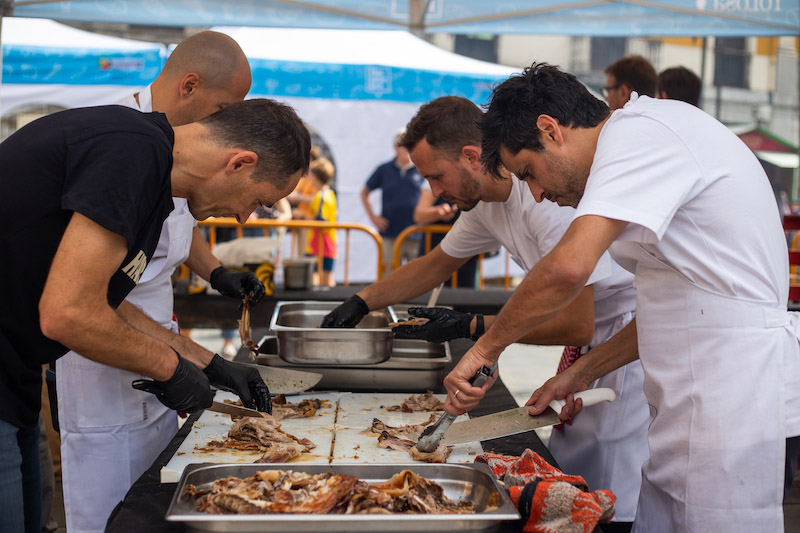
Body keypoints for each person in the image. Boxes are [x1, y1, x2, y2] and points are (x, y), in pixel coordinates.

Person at [445, 62, 800, 532]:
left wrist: (485, 349)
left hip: (733, 400)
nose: (535, 191)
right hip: (687, 404)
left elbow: (568, 267)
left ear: (550, 131)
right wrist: (582, 373)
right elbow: (670, 305)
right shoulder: (628, 147)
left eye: (529, 171)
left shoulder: (641, 135)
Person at [321, 96, 648, 528]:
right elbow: (436, 263)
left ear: (472, 157)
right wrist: (362, 301)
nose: (435, 191)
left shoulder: (544, 201)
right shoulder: (484, 208)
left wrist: (474, 328)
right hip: (586, 350)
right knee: (572, 481)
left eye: (436, 176)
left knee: (614, 495)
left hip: (620, 347)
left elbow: (577, 319)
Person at [0, 97, 311, 532]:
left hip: (17, 371)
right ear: (239, 163)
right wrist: (168, 368)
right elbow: (68, 313)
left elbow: (103, 299)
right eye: (258, 202)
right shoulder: (131, 153)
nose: (243, 219)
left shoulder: (156, 182)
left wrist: (208, 363)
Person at [53, 30, 266, 533]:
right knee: (109, 488)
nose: (226, 123)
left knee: (157, 473)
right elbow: (83, 297)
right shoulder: (117, 144)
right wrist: (177, 363)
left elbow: (181, 225)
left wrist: (215, 272)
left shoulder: (185, 150)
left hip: (155, 322)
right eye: (223, 108)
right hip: (98, 335)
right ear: (189, 85)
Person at [361, 129, 425, 275]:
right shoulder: (384, 170)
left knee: (418, 277)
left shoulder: (421, 169)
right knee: (387, 276)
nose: (408, 149)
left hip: (415, 233)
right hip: (390, 234)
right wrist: (373, 217)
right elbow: (364, 192)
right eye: (404, 145)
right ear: (396, 147)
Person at [413, 183, 478, 288]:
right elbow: (419, 215)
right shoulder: (434, 181)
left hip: (465, 257)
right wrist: (438, 212)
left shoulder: (472, 182)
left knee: (464, 296)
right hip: (436, 253)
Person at [305, 157, 338, 287]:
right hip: (327, 243)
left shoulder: (321, 197)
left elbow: (321, 220)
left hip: (320, 244)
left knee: (321, 281)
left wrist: (305, 218)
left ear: (315, 176)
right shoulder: (329, 193)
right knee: (326, 278)